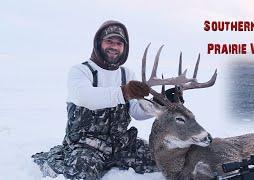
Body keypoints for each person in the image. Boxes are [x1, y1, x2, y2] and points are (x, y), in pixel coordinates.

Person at [32, 20, 159, 180]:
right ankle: (55, 161)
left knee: (161, 160)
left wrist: (159, 105)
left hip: (122, 144)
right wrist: (124, 92)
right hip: (86, 145)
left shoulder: (127, 75)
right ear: (99, 43)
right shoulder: (81, 71)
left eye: (119, 43)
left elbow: (136, 111)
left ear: (124, 48)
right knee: (82, 175)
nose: (114, 46)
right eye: (109, 41)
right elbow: (86, 97)